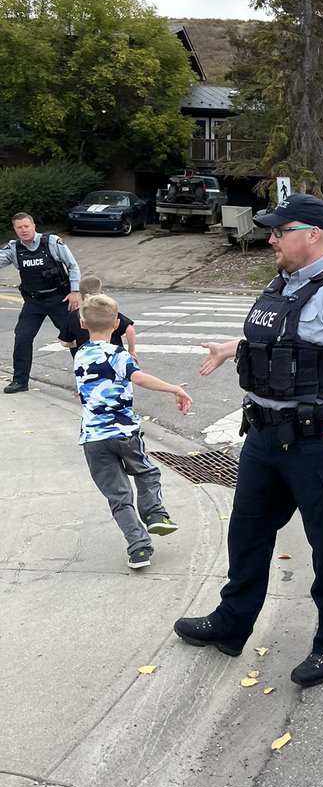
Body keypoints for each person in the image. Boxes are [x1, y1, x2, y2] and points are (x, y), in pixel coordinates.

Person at [173, 193, 323, 688]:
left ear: (313, 233)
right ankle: (230, 623)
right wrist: (232, 348)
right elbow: (283, 342)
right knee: (246, 534)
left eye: (279, 231)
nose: (270, 239)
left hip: (316, 443)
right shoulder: (283, 284)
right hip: (264, 438)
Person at [75, 292, 191, 569]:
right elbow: (138, 378)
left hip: (93, 438)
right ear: (117, 324)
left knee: (118, 496)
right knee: (147, 472)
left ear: (82, 323)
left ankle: (138, 549)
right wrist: (174, 388)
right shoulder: (118, 354)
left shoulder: (80, 354)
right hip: (124, 432)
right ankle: (154, 515)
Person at [1, 212, 81, 393]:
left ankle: (88, 378)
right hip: (33, 302)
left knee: (76, 337)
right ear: (14, 230)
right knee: (22, 337)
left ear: (33, 226)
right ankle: (20, 381)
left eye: (26, 226)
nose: (23, 230)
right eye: (19, 227)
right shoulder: (14, 249)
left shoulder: (51, 242)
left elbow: (72, 265)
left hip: (59, 299)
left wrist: (74, 291)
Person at [58, 274, 138, 359]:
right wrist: (131, 351)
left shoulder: (74, 316)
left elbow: (65, 343)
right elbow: (130, 329)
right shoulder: (108, 310)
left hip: (86, 361)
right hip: (113, 358)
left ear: (81, 296)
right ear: (102, 293)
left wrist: (79, 343)